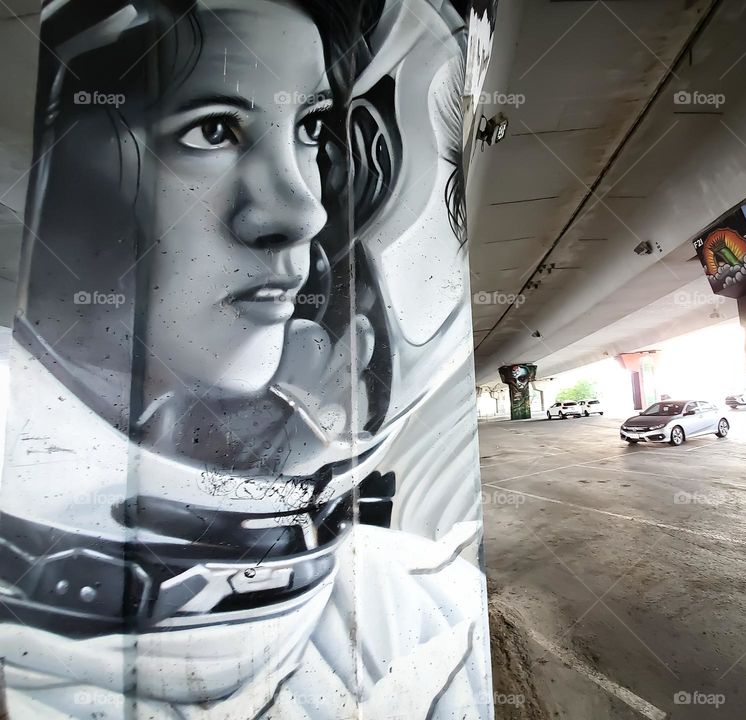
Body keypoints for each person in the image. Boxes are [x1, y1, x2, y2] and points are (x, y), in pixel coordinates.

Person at [0, 1, 492, 717]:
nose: (304, 211)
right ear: (54, 183)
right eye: (212, 130)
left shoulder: (424, 616)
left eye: (311, 129)